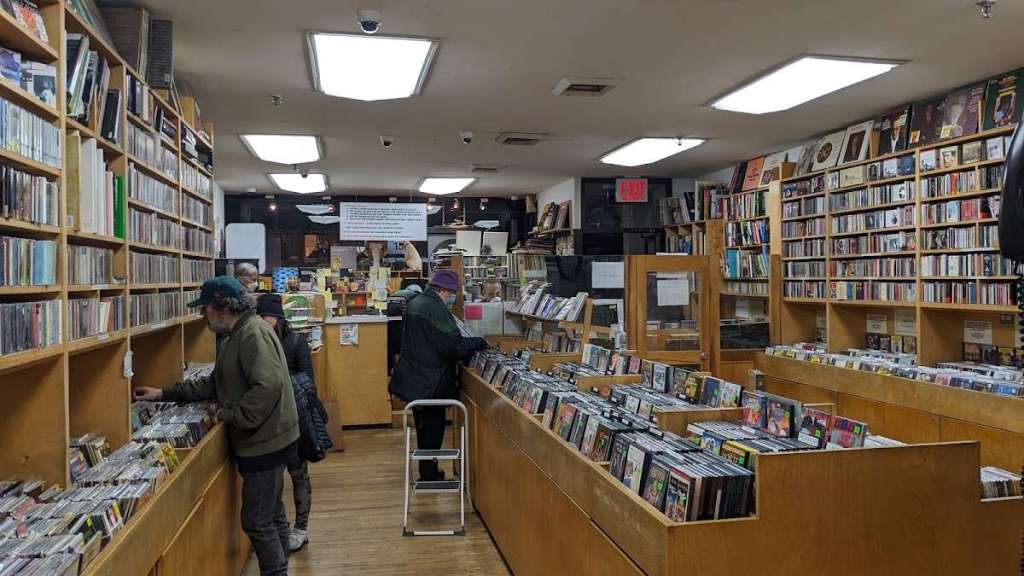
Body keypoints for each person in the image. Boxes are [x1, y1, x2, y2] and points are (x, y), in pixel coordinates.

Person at [134, 277, 299, 576]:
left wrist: (232, 416)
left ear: (221, 307)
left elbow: (268, 386)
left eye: (205, 309)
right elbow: (218, 382)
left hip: (264, 442)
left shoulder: (250, 334)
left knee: (257, 521)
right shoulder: (238, 334)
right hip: (268, 438)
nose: (202, 315)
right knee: (271, 515)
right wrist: (164, 394)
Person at [389, 270, 488, 481]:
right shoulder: (434, 308)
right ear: (443, 290)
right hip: (432, 381)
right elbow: (452, 346)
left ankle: (427, 471)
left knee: (423, 428)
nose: (453, 297)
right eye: (452, 292)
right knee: (434, 429)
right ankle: (430, 474)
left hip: (415, 379)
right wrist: (479, 342)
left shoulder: (416, 303)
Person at [256, 294, 320, 553]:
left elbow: (309, 381)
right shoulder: (261, 341)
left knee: (298, 473)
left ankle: (301, 528)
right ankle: (280, 528)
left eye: (265, 317)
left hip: (294, 419)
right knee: (276, 477)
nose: (261, 322)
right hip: (270, 421)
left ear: (278, 319)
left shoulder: (294, 342)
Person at [386, 284, 422, 373]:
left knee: (390, 349)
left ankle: (388, 372)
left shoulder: (395, 294)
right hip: (402, 327)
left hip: (389, 325)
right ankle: (404, 372)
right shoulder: (416, 296)